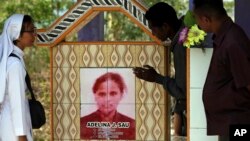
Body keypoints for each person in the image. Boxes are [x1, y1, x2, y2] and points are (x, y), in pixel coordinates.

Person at [193, 0, 250, 141]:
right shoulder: (223, 37)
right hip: (226, 121)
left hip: (237, 121)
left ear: (206, 19)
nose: (198, 26)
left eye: (197, 20)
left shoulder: (233, 40)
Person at [133, 2, 187, 136]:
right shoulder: (184, 33)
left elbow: (182, 92)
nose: (152, 33)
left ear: (165, 27)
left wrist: (156, 78)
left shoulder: (181, 45)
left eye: (153, 28)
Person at [0, 14, 36, 141]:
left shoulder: (12, 60)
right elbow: (17, 103)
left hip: (9, 124)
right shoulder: (14, 64)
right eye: (30, 31)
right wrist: (21, 136)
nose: (34, 34)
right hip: (13, 130)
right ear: (17, 35)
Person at [80, 72, 135, 140]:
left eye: (113, 93)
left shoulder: (132, 126)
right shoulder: (80, 124)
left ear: (121, 95)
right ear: (95, 95)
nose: (107, 99)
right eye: (102, 94)